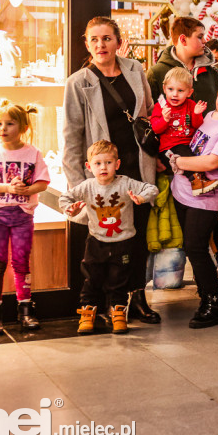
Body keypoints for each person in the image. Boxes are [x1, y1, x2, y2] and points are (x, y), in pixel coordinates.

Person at [63, 16, 160, 325]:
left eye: (106, 38)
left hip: (137, 168)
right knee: (104, 244)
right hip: (102, 176)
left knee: (137, 238)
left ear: (119, 41)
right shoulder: (78, 82)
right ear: (87, 43)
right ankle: (105, 303)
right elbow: (71, 136)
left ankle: (137, 298)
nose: (100, 45)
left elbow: (148, 112)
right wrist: (78, 184)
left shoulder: (134, 69)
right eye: (94, 39)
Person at [60, 140, 158, 335]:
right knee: (91, 280)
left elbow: (152, 189)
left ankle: (118, 314)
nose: (103, 167)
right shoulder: (87, 187)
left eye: (108, 163)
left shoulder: (125, 183)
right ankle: (88, 314)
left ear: (117, 164)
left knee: (119, 281)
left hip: (123, 243)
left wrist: (141, 198)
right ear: (89, 167)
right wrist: (69, 208)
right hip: (96, 242)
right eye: (97, 163)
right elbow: (65, 198)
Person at [169, 83, 218, 329]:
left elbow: (213, 161)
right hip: (182, 192)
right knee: (193, 249)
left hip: (206, 199)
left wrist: (177, 161)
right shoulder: (209, 116)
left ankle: (214, 303)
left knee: (196, 248)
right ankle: (204, 297)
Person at [0, 102, 50, 334]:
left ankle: (25, 310)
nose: (3, 128)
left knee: (21, 262)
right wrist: (8, 187)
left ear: (23, 126)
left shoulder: (33, 153)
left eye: (10, 123)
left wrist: (27, 190)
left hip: (22, 216)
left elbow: (42, 181)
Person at [147, 16, 218, 113]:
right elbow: (149, 113)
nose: (205, 41)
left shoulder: (212, 72)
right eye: (200, 37)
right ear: (183, 40)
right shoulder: (156, 73)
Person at [149, 67, 210, 186]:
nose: (175, 94)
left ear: (189, 92)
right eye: (170, 89)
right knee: (186, 159)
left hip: (189, 145)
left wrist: (197, 114)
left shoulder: (191, 105)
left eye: (180, 90)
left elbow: (197, 125)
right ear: (164, 89)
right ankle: (197, 181)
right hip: (169, 148)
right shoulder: (160, 106)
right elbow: (155, 129)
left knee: (197, 157)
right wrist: (164, 119)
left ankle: (200, 181)